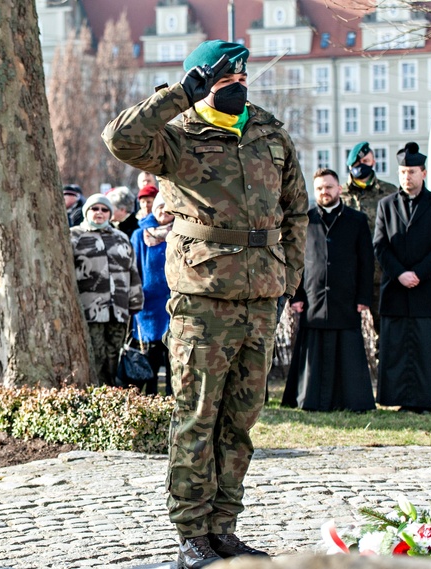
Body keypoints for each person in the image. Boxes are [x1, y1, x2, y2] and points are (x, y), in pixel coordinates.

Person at [103, 40, 307, 567]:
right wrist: (180, 95)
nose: (236, 84)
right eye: (222, 78)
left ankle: (224, 526)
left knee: (240, 420)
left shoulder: (268, 131)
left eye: (241, 76)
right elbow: (121, 139)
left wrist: (288, 277)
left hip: (261, 298)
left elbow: (296, 211)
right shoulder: (177, 135)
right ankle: (191, 533)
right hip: (203, 300)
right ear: (202, 79)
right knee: (198, 417)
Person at [282, 169, 375, 412]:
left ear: (339, 189)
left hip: (346, 297)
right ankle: (310, 400)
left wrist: (364, 297)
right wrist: (296, 295)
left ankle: (351, 402)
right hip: (313, 298)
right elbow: (295, 261)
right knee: (313, 351)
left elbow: (367, 262)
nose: (325, 192)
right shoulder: (306, 220)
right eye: (320, 188)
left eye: (329, 187)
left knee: (347, 351)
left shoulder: (357, 220)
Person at [374, 142, 431, 414]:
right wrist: (400, 274)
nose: (407, 177)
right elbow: (380, 245)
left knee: (427, 348)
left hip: (425, 288)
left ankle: (428, 401)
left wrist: (418, 273)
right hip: (396, 289)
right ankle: (401, 399)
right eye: (403, 172)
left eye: (412, 172)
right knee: (397, 348)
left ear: (424, 173)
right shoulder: (386, 205)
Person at [70, 194, 143, 386]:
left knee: (115, 354)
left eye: (104, 210)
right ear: (87, 211)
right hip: (90, 309)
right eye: (95, 209)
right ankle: (95, 393)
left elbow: (132, 270)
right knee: (96, 354)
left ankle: (112, 393)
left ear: (110, 214)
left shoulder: (120, 237)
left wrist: (136, 300)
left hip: (118, 308)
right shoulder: (75, 236)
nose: (99, 213)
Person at [340, 141, 396, 332]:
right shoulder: (340, 195)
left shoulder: (389, 192)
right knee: (347, 332)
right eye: (358, 163)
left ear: (373, 162)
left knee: (386, 330)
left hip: (382, 274)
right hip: (350, 276)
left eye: (366, 160)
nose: (362, 165)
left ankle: (384, 362)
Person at [129, 193, 173, 396]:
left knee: (175, 357)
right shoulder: (140, 234)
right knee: (151, 359)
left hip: (175, 304)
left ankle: (175, 401)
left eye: (168, 207)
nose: (164, 211)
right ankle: (151, 400)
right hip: (149, 308)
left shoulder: (181, 232)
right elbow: (134, 268)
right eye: (160, 206)